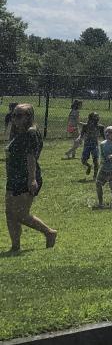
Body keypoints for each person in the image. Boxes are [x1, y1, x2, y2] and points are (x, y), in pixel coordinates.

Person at [6, 104, 56, 253]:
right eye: (14, 115)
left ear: (29, 116)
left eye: (20, 115)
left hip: (26, 177)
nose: (15, 119)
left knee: (21, 214)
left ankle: (49, 232)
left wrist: (32, 179)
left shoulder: (31, 133)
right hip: (13, 177)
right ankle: (15, 246)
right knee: (9, 213)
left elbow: (31, 157)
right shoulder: (18, 132)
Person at [78, 112, 102, 177]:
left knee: (95, 160)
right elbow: (81, 134)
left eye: (97, 117)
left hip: (95, 145)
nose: (96, 119)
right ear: (90, 119)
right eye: (94, 117)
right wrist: (79, 139)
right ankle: (89, 166)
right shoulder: (85, 126)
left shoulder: (100, 127)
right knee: (83, 160)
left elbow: (104, 137)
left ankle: (95, 175)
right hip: (87, 145)